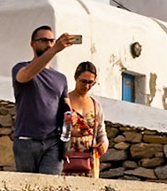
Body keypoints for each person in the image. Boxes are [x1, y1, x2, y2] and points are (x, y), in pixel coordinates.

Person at [12, 25, 77, 175]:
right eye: (43, 40)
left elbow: (65, 105)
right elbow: (25, 76)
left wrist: (70, 116)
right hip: (26, 140)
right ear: (32, 44)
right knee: (26, 190)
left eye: (51, 41)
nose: (48, 44)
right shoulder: (21, 68)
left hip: (53, 142)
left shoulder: (60, 78)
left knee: (50, 189)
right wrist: (54, 50)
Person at [61, 62, 108, 179]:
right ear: (75, 78)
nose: (87, 86)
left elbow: (101, 132)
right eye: (83, 81)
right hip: (66, 156)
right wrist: (71, 133)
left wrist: (104, 144)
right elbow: (52, 127)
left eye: (90, 83)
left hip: (89, 160)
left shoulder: (96, 105)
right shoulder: (64, 101)